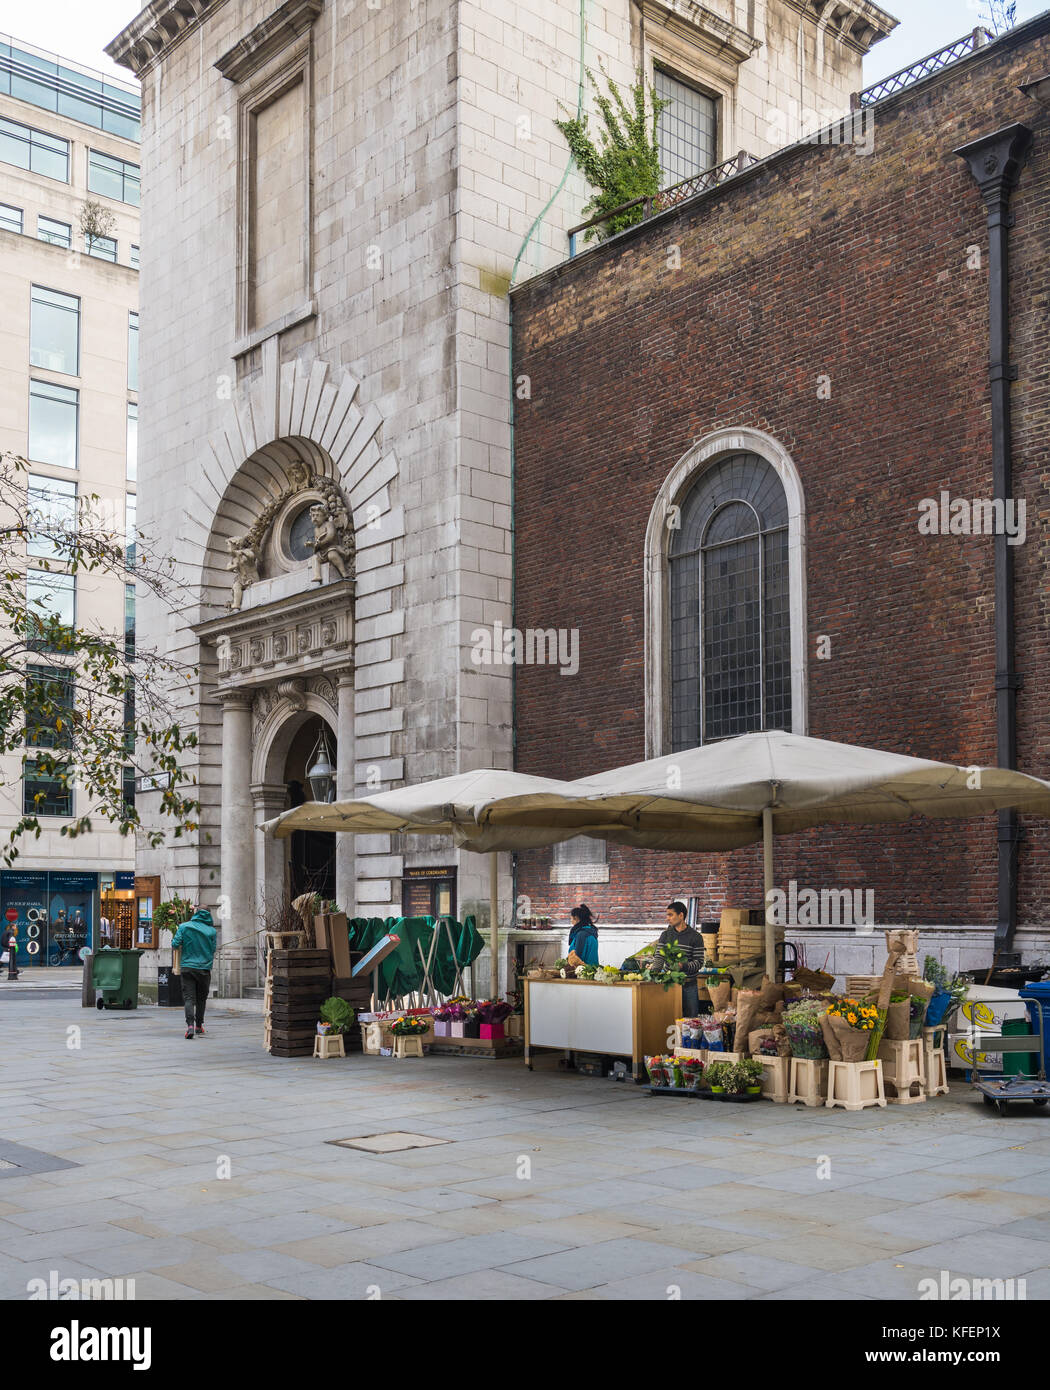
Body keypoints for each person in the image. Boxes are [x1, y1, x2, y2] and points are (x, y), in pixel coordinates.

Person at [170, 905, 217, 1039]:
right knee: (201, 999)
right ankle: (199, 1026)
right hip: (204, 969)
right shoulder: (212, 931)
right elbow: (213, 949)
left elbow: (175, 944)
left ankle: (189, 1026)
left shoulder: (184, 927)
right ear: (209, 915)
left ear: (195, 913)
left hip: (187, 968)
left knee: (189, 998)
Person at [655, 900, 706, 1013]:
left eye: (670, 915)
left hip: (689, 985)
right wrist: (653, 973)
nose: (667, 918)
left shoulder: (696, 937)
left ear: (681, 915)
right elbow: (659, 957)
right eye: (667, 915)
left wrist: (683, 966)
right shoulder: (665, 935)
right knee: (670, 1018)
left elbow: (699, 962)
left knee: (691, 1020)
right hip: (670, 984)